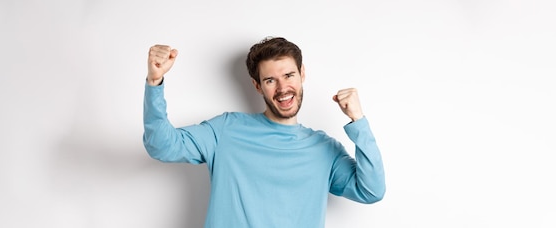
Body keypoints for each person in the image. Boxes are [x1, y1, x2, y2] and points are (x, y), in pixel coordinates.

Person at [143, 37, 385, 228]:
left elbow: (371, 190)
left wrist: (358, 121)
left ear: (302, 74)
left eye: (289, 75)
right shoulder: (226, 130)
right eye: (270, 80)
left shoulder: (324, 149)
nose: (282, 88)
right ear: (257, 85)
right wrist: (155, 83)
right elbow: (162, 146)